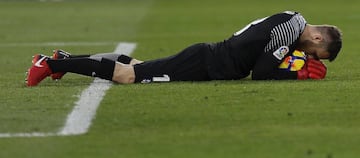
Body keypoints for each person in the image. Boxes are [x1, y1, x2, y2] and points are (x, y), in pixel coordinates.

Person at [25, 11, 342, 87]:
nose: (311, 58)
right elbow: (260, 73)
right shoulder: (290, 30)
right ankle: (49, 65)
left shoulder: (292, 19)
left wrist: (290, 59)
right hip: (206, 64)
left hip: (207, 58)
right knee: (128, 75)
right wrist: (295, 74)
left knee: (139, 64)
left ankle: (65, 60)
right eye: (316, 54)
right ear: (318, 40)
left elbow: (264, 56)